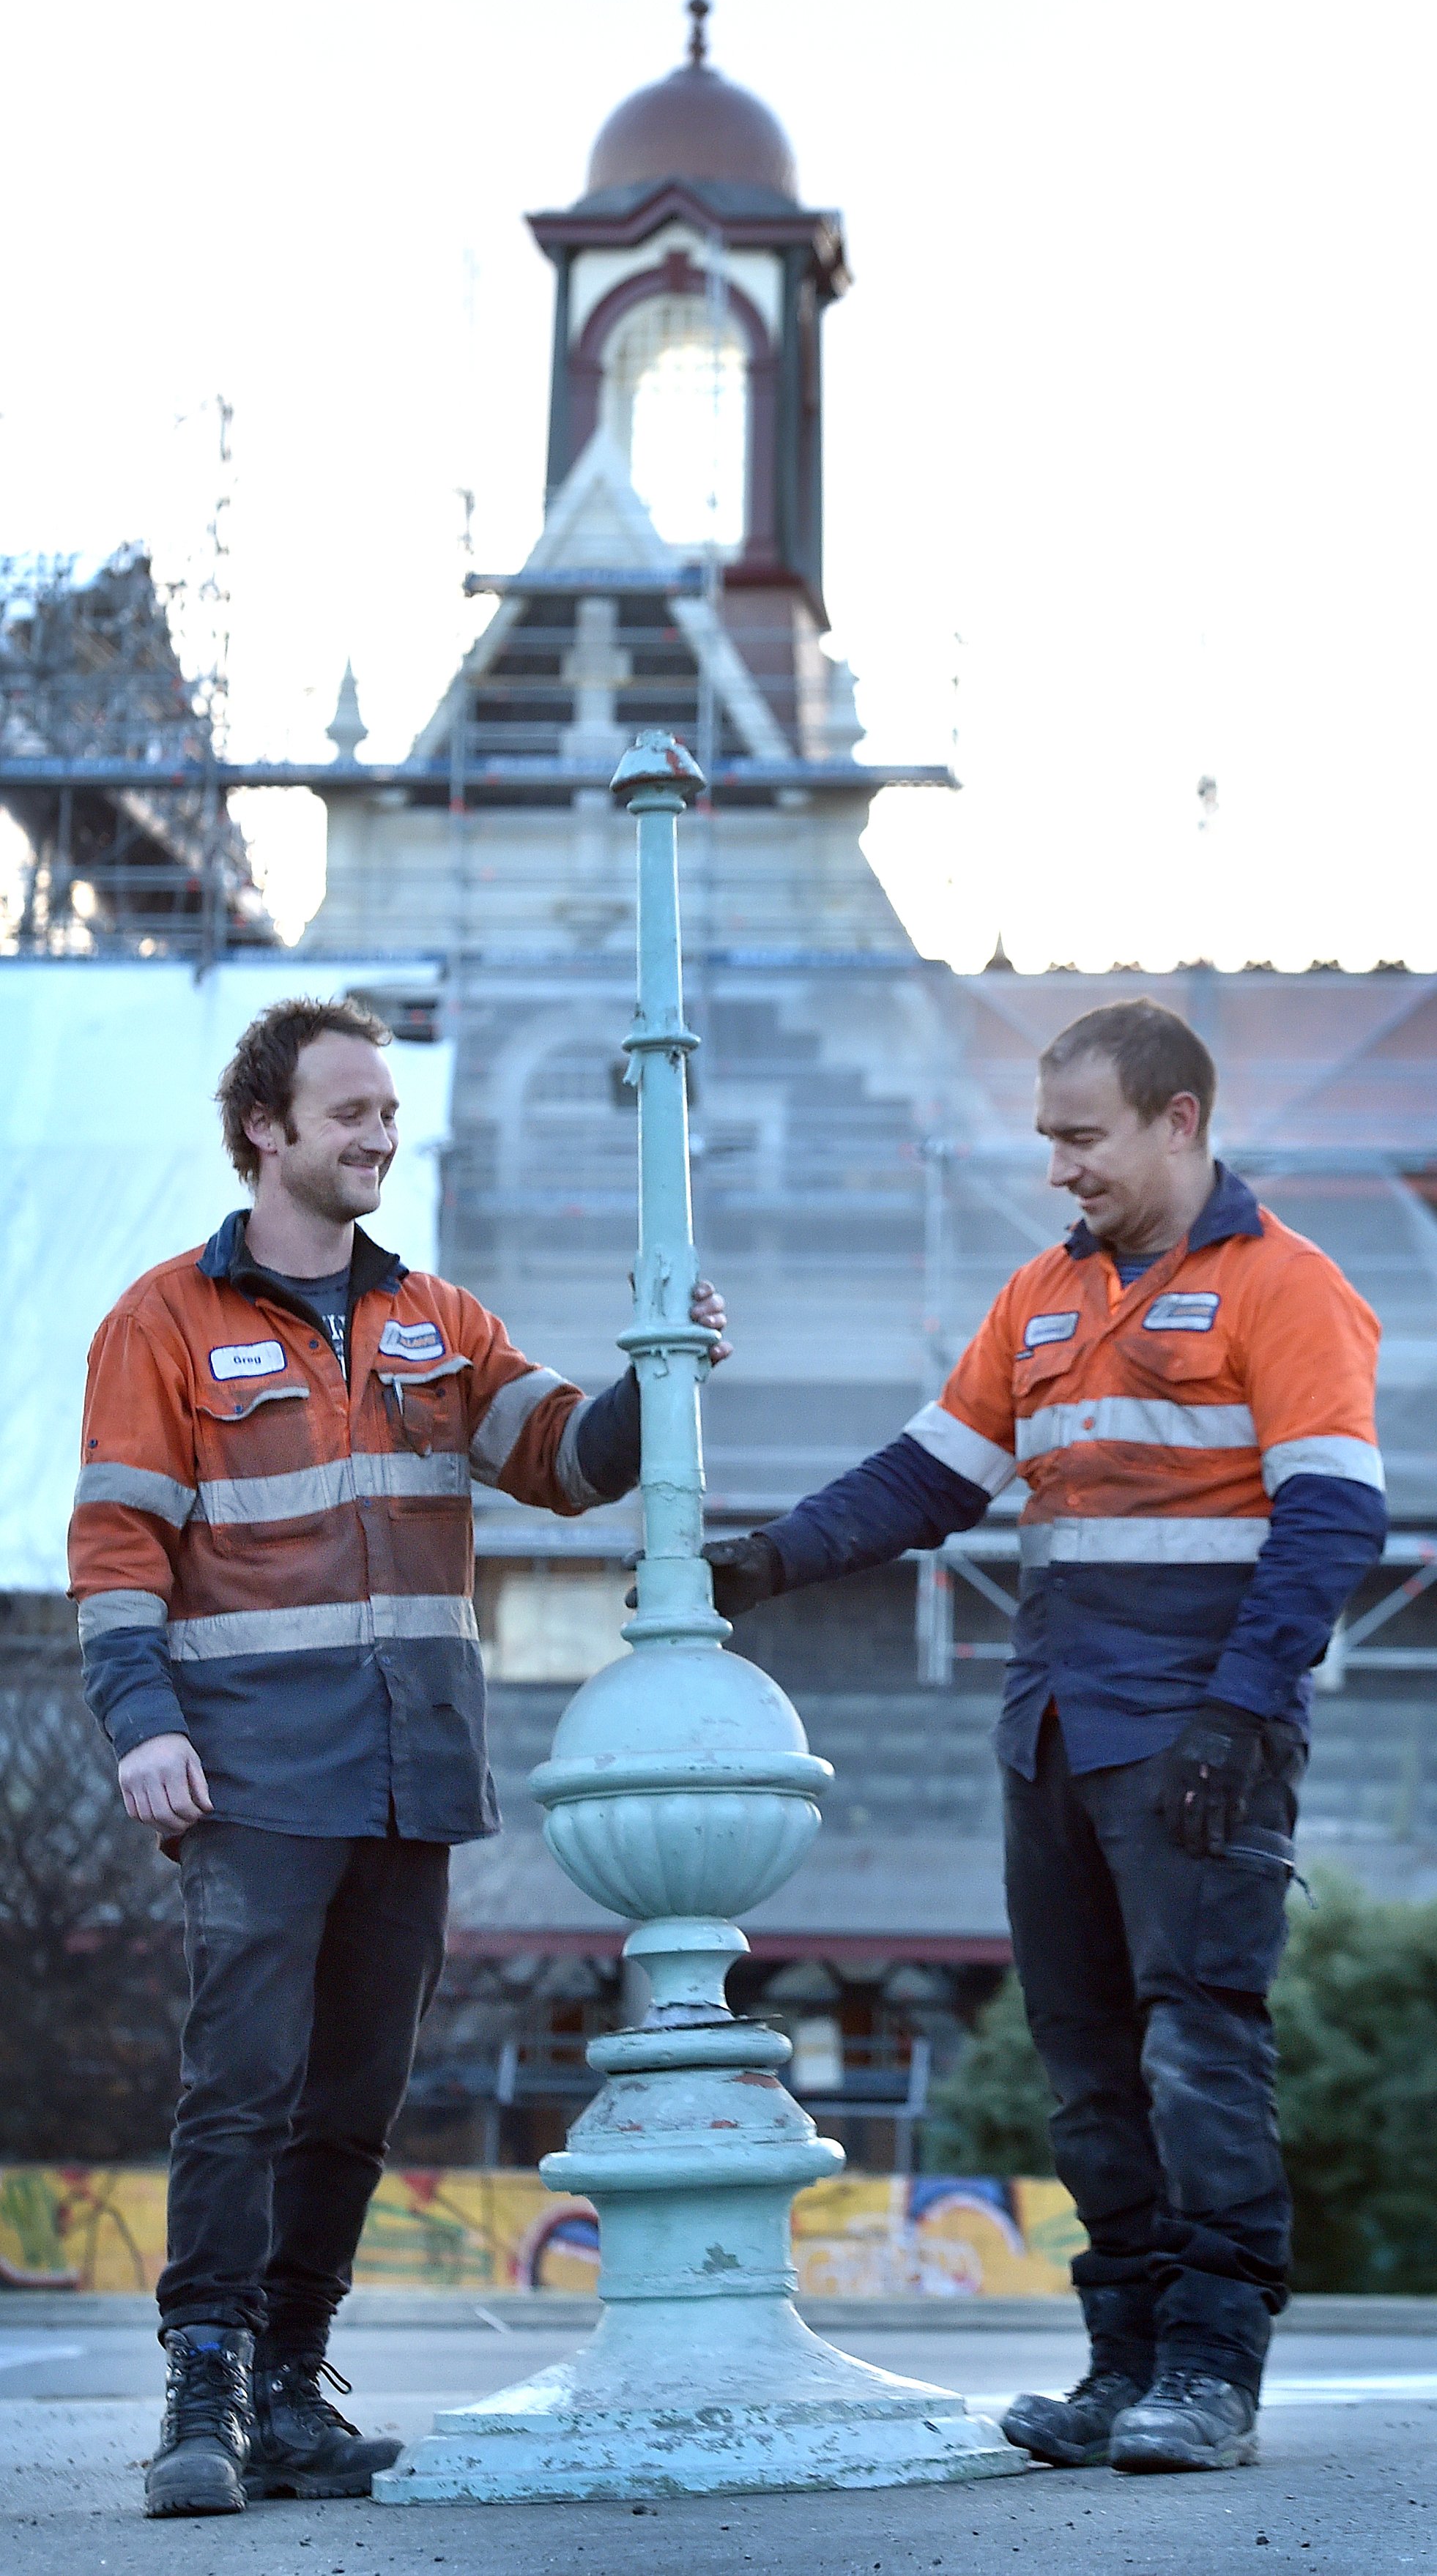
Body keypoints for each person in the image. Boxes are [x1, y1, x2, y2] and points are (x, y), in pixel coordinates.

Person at [703, 999, 1384, 2473]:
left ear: (1178, 1119)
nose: (1058, 1166)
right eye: (1049, 1139)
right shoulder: (1042, 1298)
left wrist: (1239, 1705)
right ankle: (1122, 2360)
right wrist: (766, 1556)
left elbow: (1335, 1516)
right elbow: (928, 1475)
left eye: (1083, 1137)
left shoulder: (1289, 1287)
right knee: (1084, 2060)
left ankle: (1210, 2371)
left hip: (1197, 1736)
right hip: (1059, 1732)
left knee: (1201, 2048)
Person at [70, 995, 728, 2520]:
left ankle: (294, 2381)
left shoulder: (439, 1314)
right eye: (348, 1110)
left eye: (385, 1111)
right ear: (265, 1131)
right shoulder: (160, 1321)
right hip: (249, 1771)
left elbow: (565, 1460)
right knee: (241, 2085)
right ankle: (204, 2389)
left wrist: (666, 1365)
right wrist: (142, 1719)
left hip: (410, 1765)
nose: (379, 1132)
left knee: (355, 2094)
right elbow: (115, 1546)